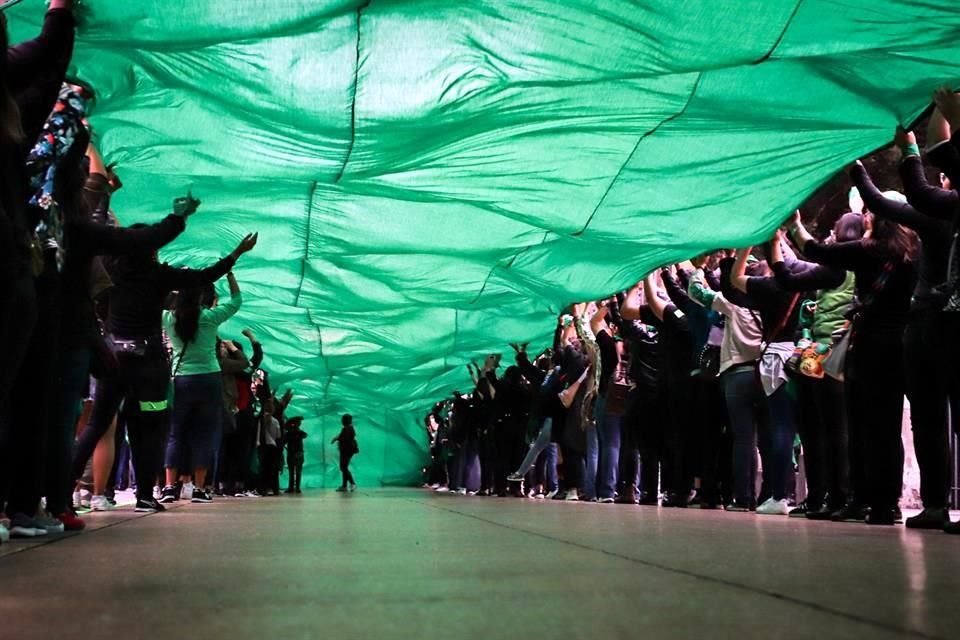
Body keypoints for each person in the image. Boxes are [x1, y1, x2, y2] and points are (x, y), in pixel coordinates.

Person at [71, 230, 258, 512]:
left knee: (97, 425)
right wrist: (236, 254)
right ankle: (146, 496)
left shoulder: (112, 272)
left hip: (114, 360)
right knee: (149, 430)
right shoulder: (159, 276)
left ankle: (62, 492)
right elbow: (204, 277)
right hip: (150, 367)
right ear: (150, 250)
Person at [789, 206, 919, 525]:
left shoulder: (867, 250)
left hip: (867, 346)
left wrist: (794, 225)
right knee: (888, 429)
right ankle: (887, 503)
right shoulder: (913, 252)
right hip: (899, 347)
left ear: (875, 220)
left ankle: (860, 500)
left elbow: (816, 250)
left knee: (860, 425)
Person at [158, 272, 244, 504]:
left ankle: (169, 487)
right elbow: (236, 301)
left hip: (181, 380)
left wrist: (166, 284)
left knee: (176, 433)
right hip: (209, 379)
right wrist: (230, 275)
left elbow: (150, 301)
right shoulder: (210, 317)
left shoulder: (169, 318)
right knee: (203, 435)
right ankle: (198, 489)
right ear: (199, 297)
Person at [332, 414, 358, 492]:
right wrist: (337, 438)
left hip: (347, 451)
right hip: (345, 450)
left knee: (343, 467)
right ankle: (344, 486)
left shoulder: (348, 428)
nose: (342, 421)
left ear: (347, 420)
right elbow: (343, 436)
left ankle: (352, 483)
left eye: (343, 419)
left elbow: (345, 438)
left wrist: (337, 438)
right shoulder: (347, 428)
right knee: (344, 467)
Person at [284, 417, 308, 494]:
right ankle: (295, 488)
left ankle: (293, 487)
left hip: (296, 454)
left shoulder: (296, 433)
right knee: (295, 471)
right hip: (296, 454)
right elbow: (304, 435)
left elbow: (305, 435)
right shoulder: (293, 433)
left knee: (294, 471)